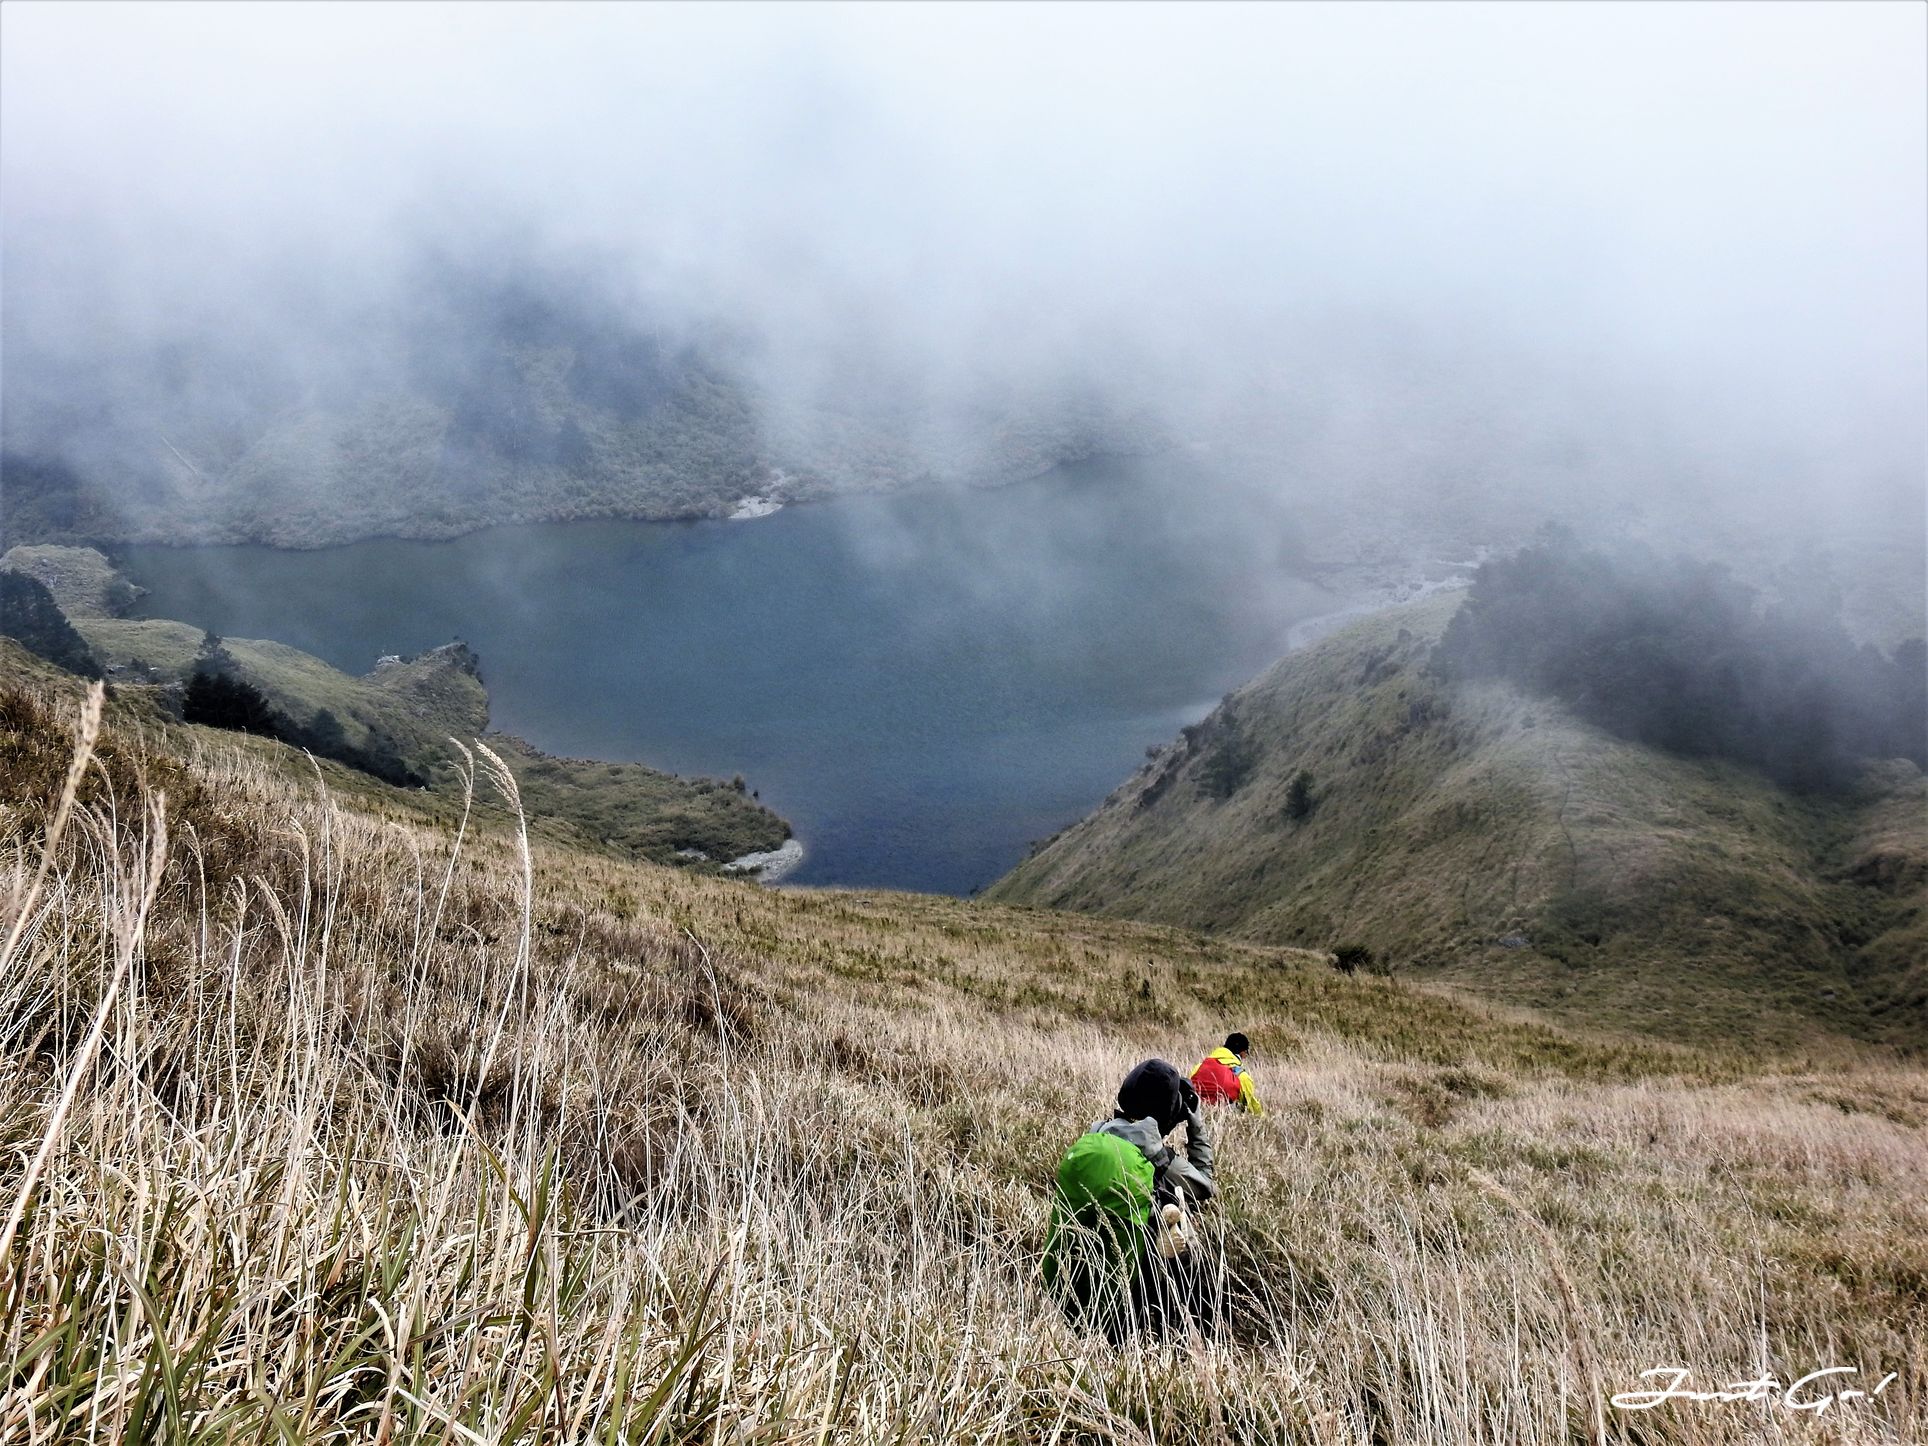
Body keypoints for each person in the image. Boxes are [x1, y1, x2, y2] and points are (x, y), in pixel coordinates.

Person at [1042, 1058, 1219, 1340]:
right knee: (1192, 1252)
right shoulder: (1159, 1159)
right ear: (1168, 1112)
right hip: (1126, 1303)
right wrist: (1196, 1124)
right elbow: (1205, 1186)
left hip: (1069, 1283)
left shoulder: (1095, 1136)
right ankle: (1188, 1339)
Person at [1191, 1032, 1265, 1115]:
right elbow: (1252, 1108)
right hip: (1225, 1118)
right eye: (1246, 1053)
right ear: (1242, 1053)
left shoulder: (1199, 1067)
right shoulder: (1242, 1076)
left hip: (1197, 1115)